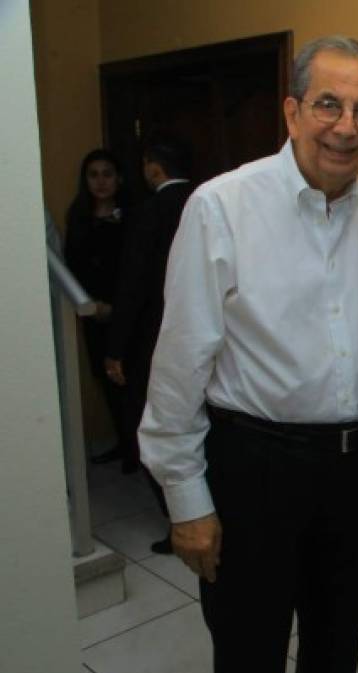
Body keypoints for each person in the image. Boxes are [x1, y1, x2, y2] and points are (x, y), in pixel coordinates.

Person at [138, 35, 358, 673]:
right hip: (254, 472)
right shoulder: (221, 207)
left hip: (357, 474)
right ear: (290, 112)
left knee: (336, 647)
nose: (346, 127)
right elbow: (180, 363)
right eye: (328, 105)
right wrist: (187, 501)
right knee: (248, 652)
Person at [105, 134, 194, 554]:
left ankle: (181, 521)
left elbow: (134, 285)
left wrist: (116, 346)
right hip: (208, 339)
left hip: (155, 339)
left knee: (157, 427)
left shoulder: (149, 213)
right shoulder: (209, 201)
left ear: (153, 167)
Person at [64, 149, 134, 471]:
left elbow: (137, 269)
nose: (101, 181)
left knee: (133, 382)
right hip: (94, 313)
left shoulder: (134, 214)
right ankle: (123, 444)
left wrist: (118, 307)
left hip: (129, 313)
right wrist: (93, 305)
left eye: (107, 174)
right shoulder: (78, 216)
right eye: (94, 175)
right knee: (106, 382)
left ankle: (139, 450)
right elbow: (72, 265)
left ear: (118, 178)